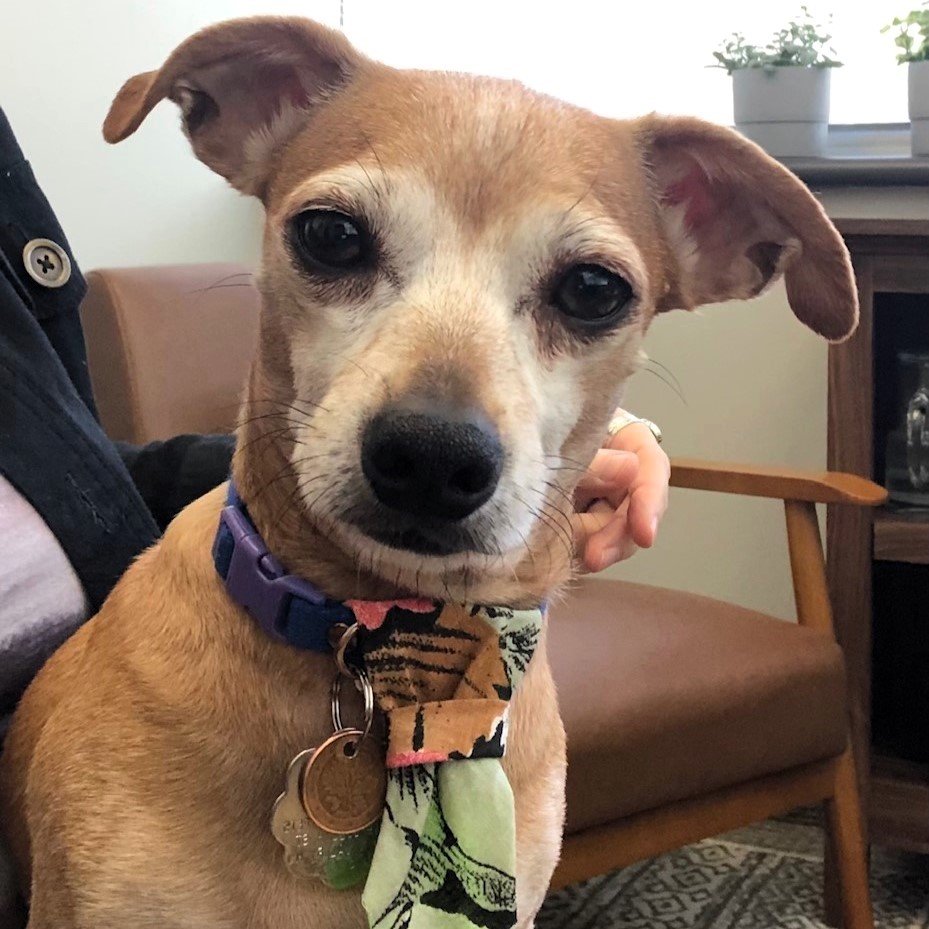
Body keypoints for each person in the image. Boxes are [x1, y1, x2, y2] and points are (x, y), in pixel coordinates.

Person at [0, 103, 669, 730]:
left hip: (464, 679)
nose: (437, 448)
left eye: (587, 292)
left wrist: (575, 440)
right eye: (338, 240)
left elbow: (63, 480)